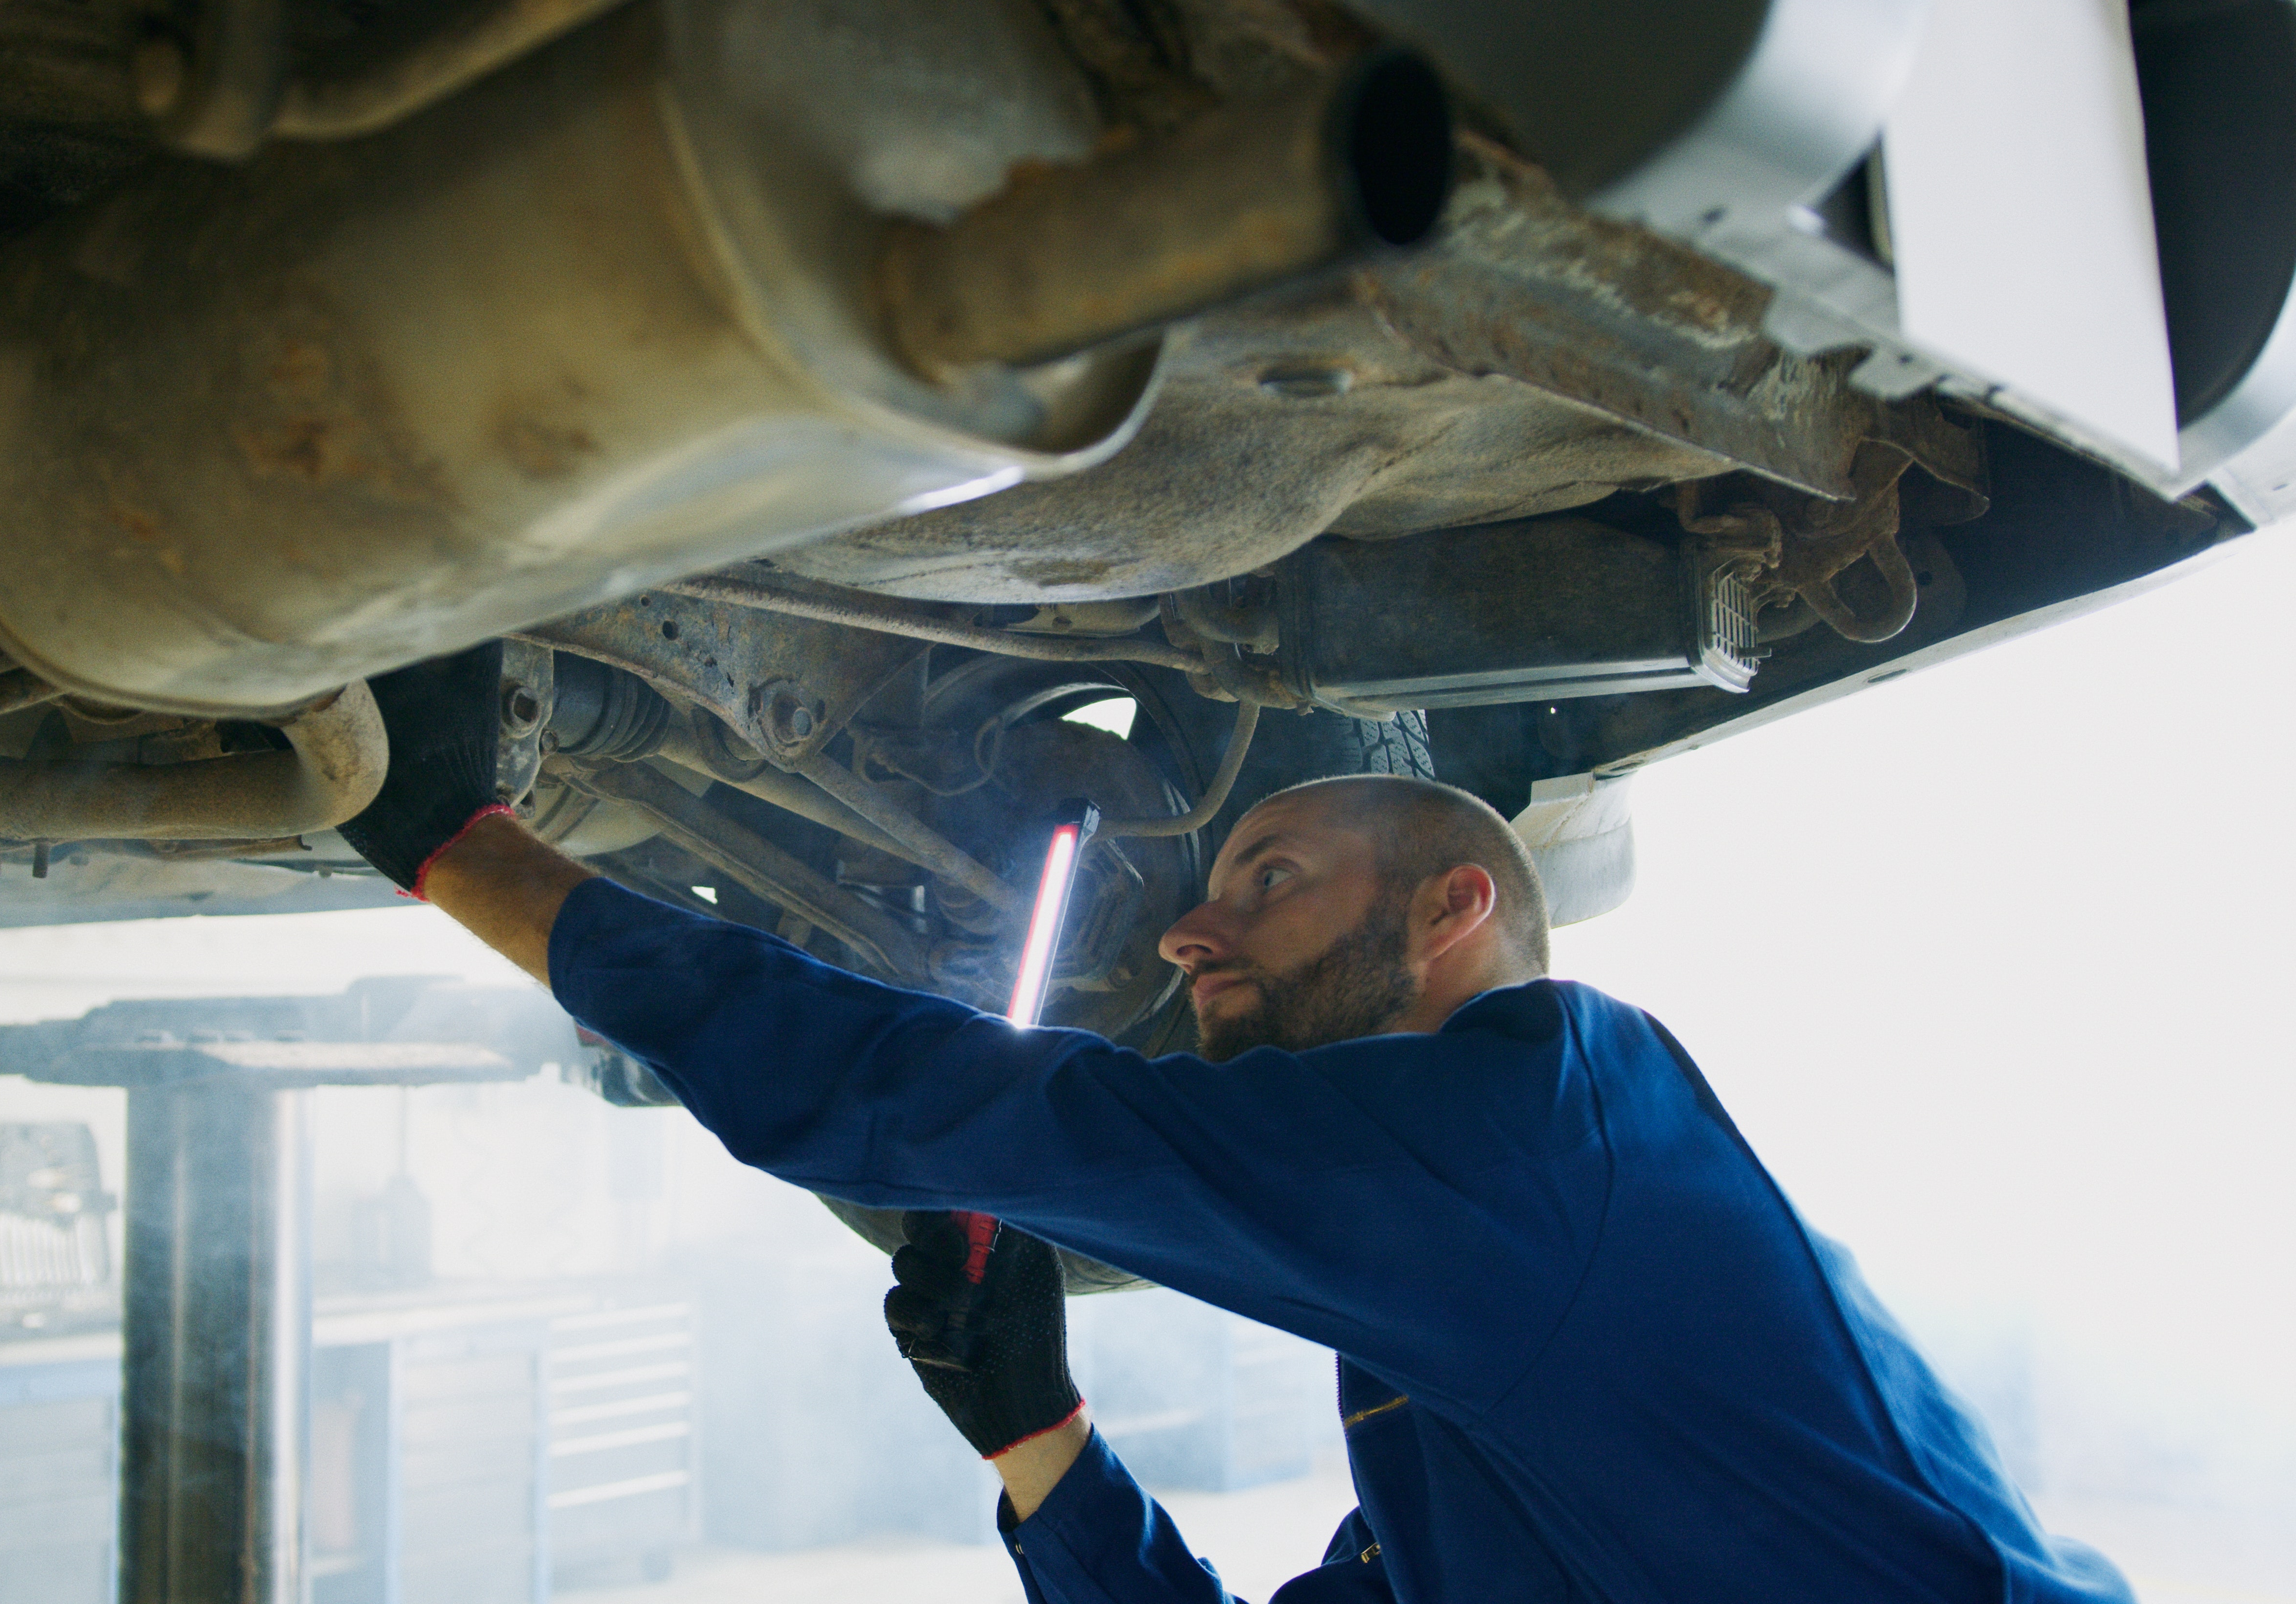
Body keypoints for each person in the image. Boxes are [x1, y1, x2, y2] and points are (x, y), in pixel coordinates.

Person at [336, 647, 2130, 1603]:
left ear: (1455, 912)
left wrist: (466, 853)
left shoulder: (1541, 1134)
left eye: (1267, 877)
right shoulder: (1490, 1353)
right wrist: (1039, 1438)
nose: (1187, 932)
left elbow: (968, 1112)